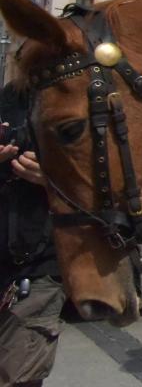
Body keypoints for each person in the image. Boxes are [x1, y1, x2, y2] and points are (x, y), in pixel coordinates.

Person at [0, 84, 65, 387]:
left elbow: (112, 188)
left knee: (19, 379)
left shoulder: (75, 99)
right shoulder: (8, 98)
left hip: (35, 270)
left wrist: (55, 179)